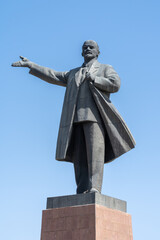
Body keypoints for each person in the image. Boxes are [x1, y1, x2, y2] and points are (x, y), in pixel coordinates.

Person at [12, 40, 135, 194]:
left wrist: (95, 79)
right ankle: (82, 189)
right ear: (81, 53)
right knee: (79, 158)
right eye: (85, 48)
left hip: (94, 118)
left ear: (98, 52)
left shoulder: (105, 68)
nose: (88, 49)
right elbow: (53, 75)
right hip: (74, 120)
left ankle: (95, 188)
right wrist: (31, 65)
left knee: (95, 156)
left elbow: (115, 84)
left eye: (92, 47)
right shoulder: (73, 73)